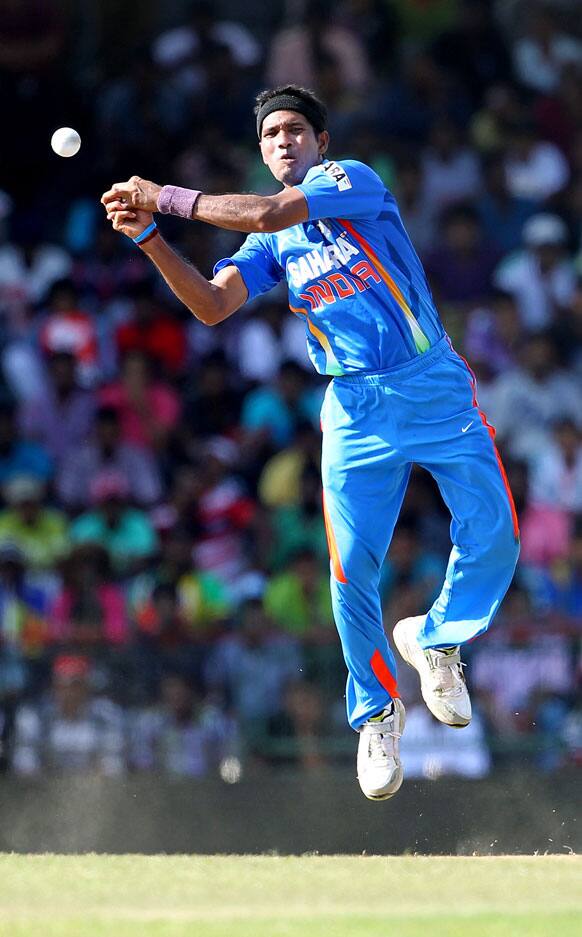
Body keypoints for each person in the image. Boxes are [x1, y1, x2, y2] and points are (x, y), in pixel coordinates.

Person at [101, 84, 520, 801]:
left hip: (430, 380)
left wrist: (164, 196)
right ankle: (378, 713)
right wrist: (149, 236)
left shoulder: (351, 180)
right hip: (354, 405)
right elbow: (211, 305)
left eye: (294, 130)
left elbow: (267, 208)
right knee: (351, 569)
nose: (282, 143)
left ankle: (438, 637)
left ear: (321, 142)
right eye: (269, 137)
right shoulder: (271, 243)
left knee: (497, 537)